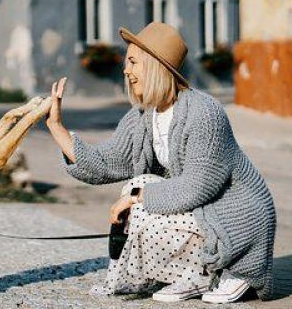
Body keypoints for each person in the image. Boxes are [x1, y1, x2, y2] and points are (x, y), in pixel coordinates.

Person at [45, 22, 276, 304]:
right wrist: (57, 128)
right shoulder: (144, 115)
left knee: (139, 196)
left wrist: (135, 199)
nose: (125, 70)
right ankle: (190, 274)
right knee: (138, 185)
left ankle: (219, 271)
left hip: (235, 216)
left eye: (132, 62)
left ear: (155, 65)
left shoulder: (205, 113)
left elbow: (197, 187)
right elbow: (106, 163)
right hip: (201, 211)